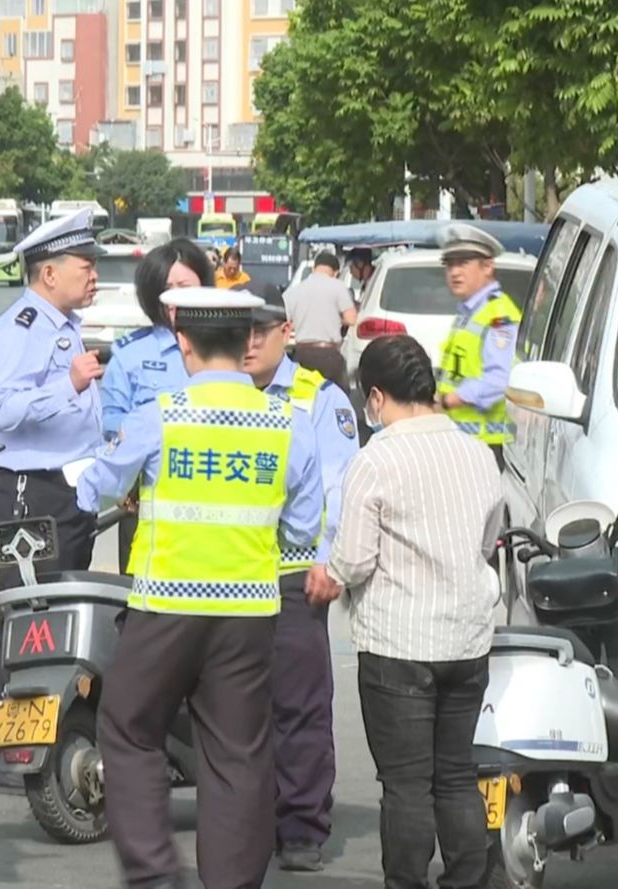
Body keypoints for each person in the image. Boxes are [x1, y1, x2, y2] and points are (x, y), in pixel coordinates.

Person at [75, 286, 324, 889]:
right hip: (249, 610)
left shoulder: (161, 415)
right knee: (238, 753)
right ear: (247, 345)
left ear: (183, 342)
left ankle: (157, 874)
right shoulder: (290, 422)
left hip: (166, 605)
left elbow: (95, 490)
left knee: (129, 728)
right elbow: (304, 524)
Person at [316, 334, 503, 889]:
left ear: (375, 396)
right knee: (455, 774)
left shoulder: (376, 460)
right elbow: (488, 539)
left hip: (398, 644)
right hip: (467, 640)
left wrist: (329, 579)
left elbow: (352, 558)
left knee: (405, 785)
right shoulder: (477, 453)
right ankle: (469, 879)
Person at [0, 209, 106, 794]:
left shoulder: (64, 322)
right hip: (30, 493)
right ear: (49, 272)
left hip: (67, 489)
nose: (95, 275)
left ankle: (39, 744)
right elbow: (2, 412)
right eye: (86, 265)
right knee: (26, 623)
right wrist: (70, 384)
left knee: (56, 622)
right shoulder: (22, 326)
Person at [243, 297, 360, 872]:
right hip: (231, 577)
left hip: (294, 575)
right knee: (237, 710)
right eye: (240, 332)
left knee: (300, 709)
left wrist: (326, 560)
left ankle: (301, 827)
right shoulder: (223, 391)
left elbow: (339, 487)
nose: (248, 344)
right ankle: (250, 822)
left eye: (260, 332)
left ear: (286, 332)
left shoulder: (318, 397)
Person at [101, 238, 213, 572]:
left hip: (214, 504)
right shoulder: (132, 354)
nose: (177, 297)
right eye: (169, 289)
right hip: (148, 509)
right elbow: (111, 422)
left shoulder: (230, 345)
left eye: (186, 287)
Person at [433, 223, 521, 472]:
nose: (454, 272)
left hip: (487, 446)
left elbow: (499, 379)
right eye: (449, 264)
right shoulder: (470, 312)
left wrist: (449, 400)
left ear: (488, 266)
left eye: (463, 262)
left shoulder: (498, 316)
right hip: (464, 443)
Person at [282, 251, 358, 391]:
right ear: (336, 272)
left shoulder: (295, 290)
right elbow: (351, 319)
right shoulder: (338, 287)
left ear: (313, 268)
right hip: (329, 355)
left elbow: (282, 319)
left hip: (302, 354)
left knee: (303, 399)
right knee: (336, 400)